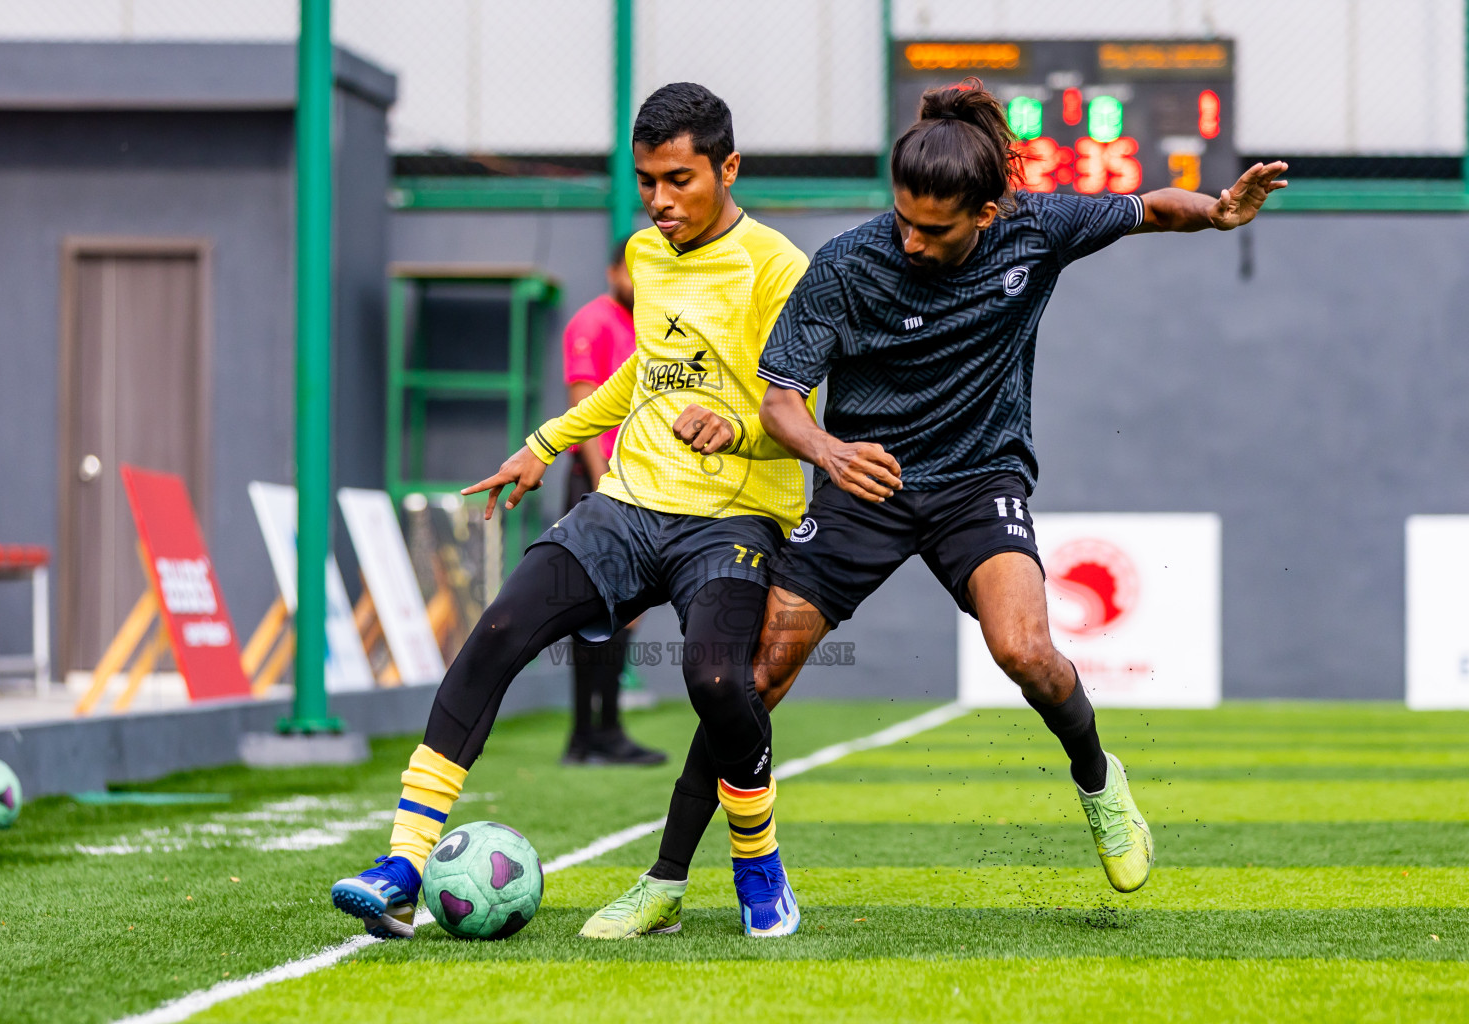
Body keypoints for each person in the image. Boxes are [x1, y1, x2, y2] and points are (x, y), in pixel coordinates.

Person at [584, 79, 1288, 936]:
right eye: (902, 218)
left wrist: (1216, 214)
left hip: (979, 480)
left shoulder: (1037, 229)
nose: (910, 240)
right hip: (864, 484)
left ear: (986, 215)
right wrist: (830, 451)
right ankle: (664, 880)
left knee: (1026, 652)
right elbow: (778, 402)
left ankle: (1101, 784)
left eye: (934, 229)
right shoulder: (849, 263)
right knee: (754, 678)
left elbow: (1148, 209)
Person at [330, 82, 812, 940]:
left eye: (679, 179)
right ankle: (403, 864)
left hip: (737, 519)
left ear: (728, 168)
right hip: (628, 503)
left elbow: (801, 416)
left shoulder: (777, 267)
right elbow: (642, 373)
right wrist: (544, 443)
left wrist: (733, 427)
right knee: (501, 628)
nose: (660, 201)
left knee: (715, 681)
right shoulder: (649, 254)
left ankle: (758, 860)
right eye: (645, 181)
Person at [559, 237, 665, 767]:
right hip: (599, 482)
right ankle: (586, 735)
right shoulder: (592, 322)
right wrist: (604, 488)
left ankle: (603, 731)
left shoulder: (649, 324)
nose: (640, 279)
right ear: (612, 272)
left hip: (638, 483)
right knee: (590, 609)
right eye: (632, 269)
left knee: (629, 612)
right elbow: (583, 414)